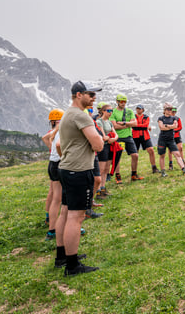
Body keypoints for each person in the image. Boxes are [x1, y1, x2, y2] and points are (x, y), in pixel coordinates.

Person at [55, 81, 104, 276]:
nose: (94, 97)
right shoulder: (81, 116)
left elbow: (60, 144)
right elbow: (98, 145)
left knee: (66, 212)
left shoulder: (68, 113)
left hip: (67, 168)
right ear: (78, 95)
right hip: (79, 170)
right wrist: (98, 140)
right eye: (90, 94)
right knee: (76, 217)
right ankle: (72, 266)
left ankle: (62, 256)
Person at [110, 94, 143, 182]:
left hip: (128, 136)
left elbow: (135, 124)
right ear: (117, 102)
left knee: (135, 155)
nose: (123, 103)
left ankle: (134, 174)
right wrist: (128, 125)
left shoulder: (129, 111)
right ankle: (118, 176)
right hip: (118, 137)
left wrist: (124, 123)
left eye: (125, 101)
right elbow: (115, 126)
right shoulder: (113, 112)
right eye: (121, 101)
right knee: (118, 157)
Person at [42, 109, 64, 240]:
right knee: (64, 198)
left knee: (56, 198)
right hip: (60, 163)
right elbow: (60, 145)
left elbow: (45, 138)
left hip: (52, 163)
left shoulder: (55, 130)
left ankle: (51, 229)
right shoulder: (63, 129)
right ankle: (65, 226)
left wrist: (52, 150)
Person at [157, 103, 185, 177]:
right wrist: (171, 126)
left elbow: (175, 126)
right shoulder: (160, 118)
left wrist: (166, 125)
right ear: (164, 110)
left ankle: (184, 169)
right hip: (162, 139)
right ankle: (163, 172)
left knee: (177, 154)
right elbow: (161, 127)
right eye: (168, 109)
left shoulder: (174, 118)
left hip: (171, 139)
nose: (170, 110)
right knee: (162, 155)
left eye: (171, 109)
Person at [95, 104, 117, 199]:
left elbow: (115, 134)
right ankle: (98, 190)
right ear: (103, 111)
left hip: (110, 146)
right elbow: (104, 136)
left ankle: (103, 188)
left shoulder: (109, 122)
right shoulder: (99, 122)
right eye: (108, 111)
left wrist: (114, 138)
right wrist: (110, 138)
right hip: (103, 147)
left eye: (111, 111)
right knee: (101, 169)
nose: (110, 113)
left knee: (106, 169)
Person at [132, 104, 158, 174]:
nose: (138, 110)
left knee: (151, 150)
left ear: (143, 110)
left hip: (145, 136)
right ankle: (134, 171)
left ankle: (154, 167)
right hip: (135, 136)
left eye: (139, 109)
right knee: (135, 154)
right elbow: (133, 126)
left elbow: (145, 125)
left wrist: (138, 126)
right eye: (137, 109)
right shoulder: (133, 116)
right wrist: (143, 126)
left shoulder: (146, 117)